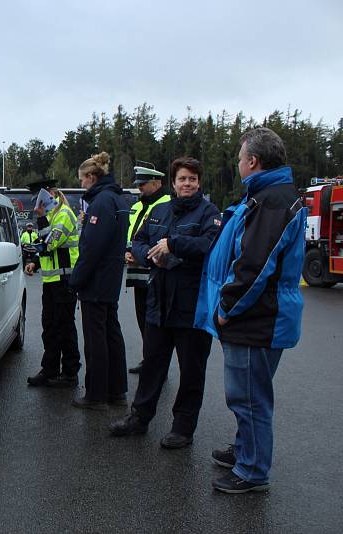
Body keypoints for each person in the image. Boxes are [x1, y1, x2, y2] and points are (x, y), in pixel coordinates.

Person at [194, 127, 306, 494]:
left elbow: (255, 264)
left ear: (253, 161)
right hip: (259, 316)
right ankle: (246, 450)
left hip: (257, 318)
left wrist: (226, 308)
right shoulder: (267, 195)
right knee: (249, 394)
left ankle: (252, 470)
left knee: (249, 398)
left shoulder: (271, 200)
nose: (238, 164)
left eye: (240, 158)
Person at [109, 157, 221, 448]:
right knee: (152, 365)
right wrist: (150, 254)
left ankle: (183, 428)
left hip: (192, 306)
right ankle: (139, 418)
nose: (187, 184)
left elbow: (210, 246)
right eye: (183, 179)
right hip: (159, 302)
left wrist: (173, 245)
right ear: (173, 182)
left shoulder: (209, 213)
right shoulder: (160, 210)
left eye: (193, 180)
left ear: (199, 183)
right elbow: (139, 240)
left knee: (191, 371)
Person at [68, 152, 130, 410]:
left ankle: (96, 394)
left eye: (82, 180)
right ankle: (116, 390)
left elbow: (92, 248)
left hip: (96, 281)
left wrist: (76, 280)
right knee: (111, 335)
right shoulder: (117, 198)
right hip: (110, 279)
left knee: (96, 340)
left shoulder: (102, 202)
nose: (81, 185)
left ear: (91, 177)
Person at [25, 179, 82, 387]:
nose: (36, 203)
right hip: (50, 281)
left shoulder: (64, 214)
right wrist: (34, 263)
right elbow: (42, 247)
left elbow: (49, 244)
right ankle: (49, 370)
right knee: (49, 327)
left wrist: (40, 219)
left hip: (64, 280)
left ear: (51, 193)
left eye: (39, 198)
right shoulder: (50, 216)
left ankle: (70, 373)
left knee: (64, 327)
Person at [125, 165, 170, 374]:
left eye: (143, 184)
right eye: (138, 184)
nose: (139, 188)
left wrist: (141, 254)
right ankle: (149, 359)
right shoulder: (138, 205)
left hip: (154, 271)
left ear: (156, 183)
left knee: (155, 321)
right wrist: (126, 251)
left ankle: (156, 362)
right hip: (136, 270)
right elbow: (131, 234)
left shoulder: (166, 204)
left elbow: (163, 238)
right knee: (142, 318)